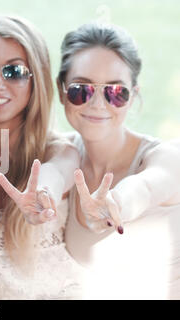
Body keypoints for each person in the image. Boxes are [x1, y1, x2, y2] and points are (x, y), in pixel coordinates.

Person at [0, 15, 83, 299]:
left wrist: (43, 194)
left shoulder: (59, 150)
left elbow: (55, 173)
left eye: (14, 71)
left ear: (36, 80)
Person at [57, 22, 180, 299]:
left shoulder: (166, 158)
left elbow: (146, 187)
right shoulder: (66, 153)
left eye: (115, 92)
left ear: (133, 95)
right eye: (81, 89)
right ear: (61, 90)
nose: (98, 103)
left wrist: (118, 203)